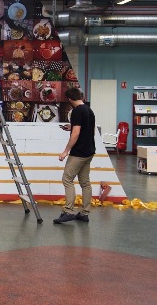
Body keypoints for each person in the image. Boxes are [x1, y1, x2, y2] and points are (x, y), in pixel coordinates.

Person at [54, 87, 96, 224]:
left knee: (67, 179)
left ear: (70, 99)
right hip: (89, 151)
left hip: (79, 153)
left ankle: (68, 211)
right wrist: (71, 127)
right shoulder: (89, 110)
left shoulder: (76, 111)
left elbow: (76, 134)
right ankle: (84, 213)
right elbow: (87, 130)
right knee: (85, 183)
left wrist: (65, 151)